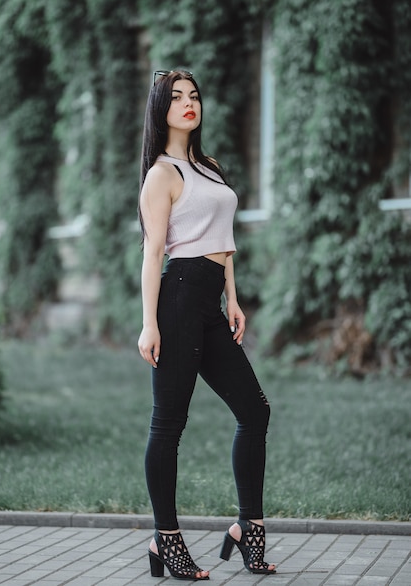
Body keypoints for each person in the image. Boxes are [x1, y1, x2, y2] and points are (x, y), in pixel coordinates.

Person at [138, 69, 276, 581]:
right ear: (161, 109)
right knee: (168, 424)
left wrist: (233, 300)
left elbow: (225, 237)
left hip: (211, 300)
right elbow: (154, 253)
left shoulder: (209, 166)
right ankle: (165, 538)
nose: (188, 103)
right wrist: (148, 323)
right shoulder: (162, 174)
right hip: (176, 300)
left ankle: (248, 528)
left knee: (255, 412)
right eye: (176, 98)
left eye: (194, 95)